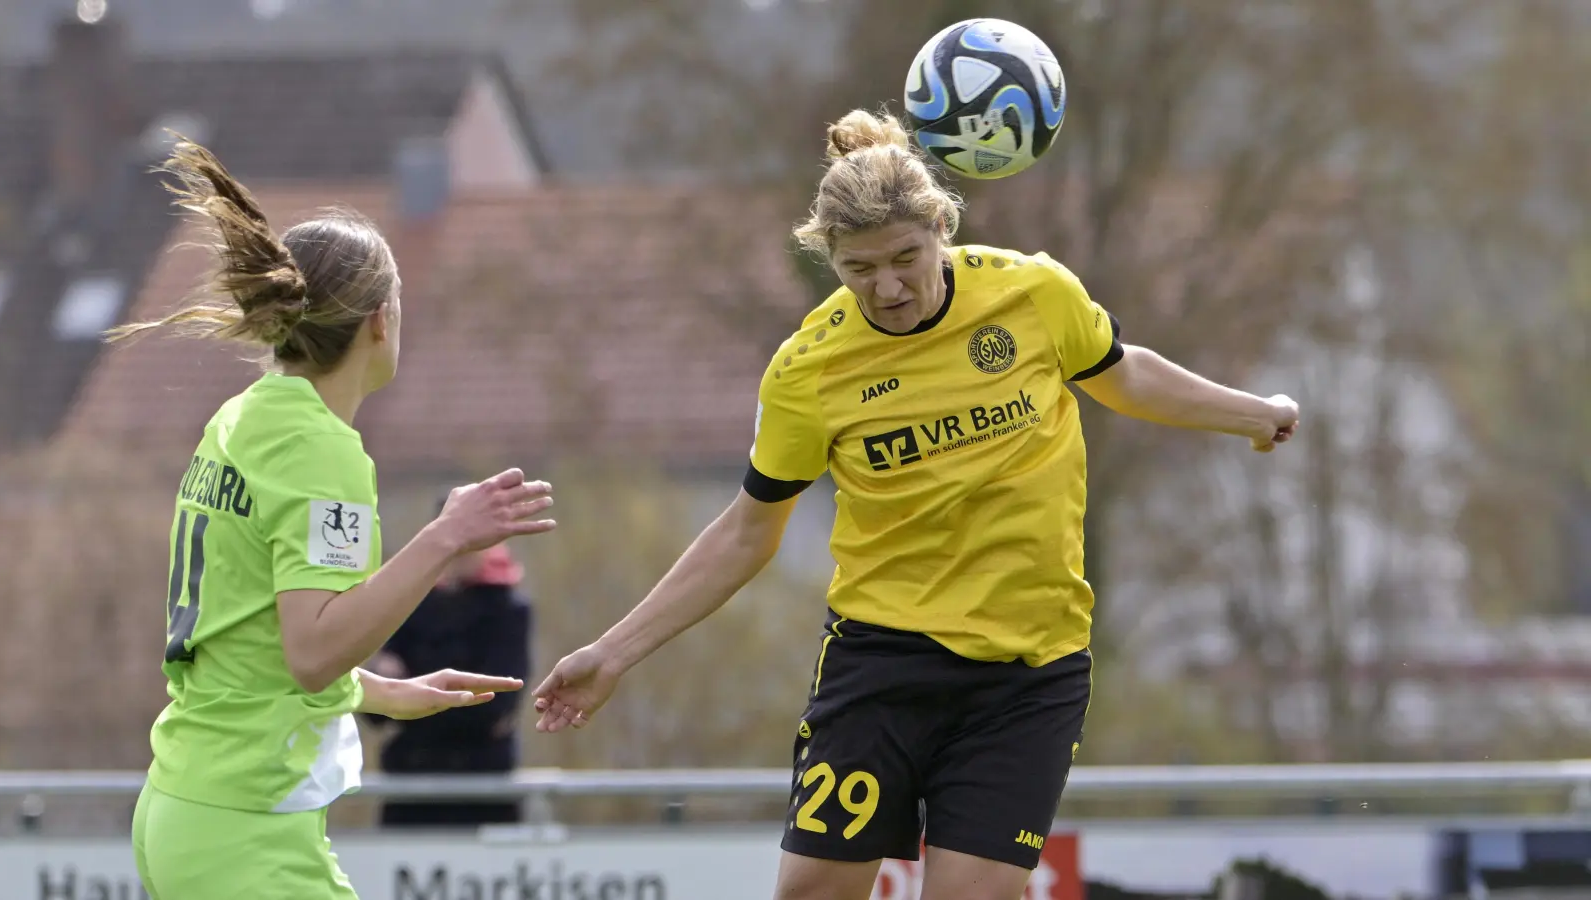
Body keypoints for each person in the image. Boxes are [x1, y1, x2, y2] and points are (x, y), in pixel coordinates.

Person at [530, 109, 1299, 900]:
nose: (888, 287)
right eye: (860, 268)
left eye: (906, 257)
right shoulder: (809, 372)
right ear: (829, 257)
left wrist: (1251, 412)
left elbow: (1120, 372)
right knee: (814, 892)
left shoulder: (1033, 294)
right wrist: (612, 652)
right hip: (884, 662)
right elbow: (744, 534)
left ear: (942, 226)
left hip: (1029, 673)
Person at [108, 139, 557, 900]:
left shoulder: (244, 416)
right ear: (381, 321)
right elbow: (312, 651)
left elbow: (256, 640)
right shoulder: (322, 449)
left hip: (184, 808)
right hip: (242, 829)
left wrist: (385, 692)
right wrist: (447, 535)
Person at [366, 502, 533, 829]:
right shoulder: (409, 602)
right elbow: (373, 708)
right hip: (411, 793)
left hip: (483, 793)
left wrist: (409, 692)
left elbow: (496, 705)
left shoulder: (508, 609)